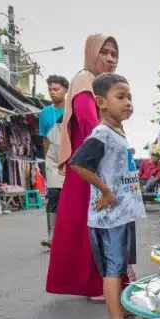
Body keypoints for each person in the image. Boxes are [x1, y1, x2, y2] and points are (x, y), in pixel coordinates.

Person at [46, 34, 122, 299]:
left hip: (95, 163)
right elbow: (90, 122)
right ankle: (96, 284)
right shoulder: (84, 79)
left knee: (95, 221)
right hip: (89, 166)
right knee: (93, 223)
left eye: (115, 54)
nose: (111, 59)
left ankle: (101, 280)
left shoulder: (100, 85)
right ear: (92, 52)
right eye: (105, 52)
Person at [69, 73, 145, 319]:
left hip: (123, 212)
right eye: (121, 97)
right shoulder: (101, 134)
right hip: (109, 217)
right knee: (112, 268)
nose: (128, 103)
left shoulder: (117, 132)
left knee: (121, 264)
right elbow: (77, 164)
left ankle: (121, 309)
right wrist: (105, 191)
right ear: (101, 102)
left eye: (130, 98)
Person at [40, 75, 69, 248]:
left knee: (71, 196)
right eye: (50, 89)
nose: (52, 92)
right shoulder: (44, 113)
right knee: (54, 196)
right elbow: (45, 140)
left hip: (71, 157)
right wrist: (47, 160)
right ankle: (52, 236)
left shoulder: (72, 110)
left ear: (66, 90)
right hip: (52, 158)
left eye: (56, 89)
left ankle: (72, 233)